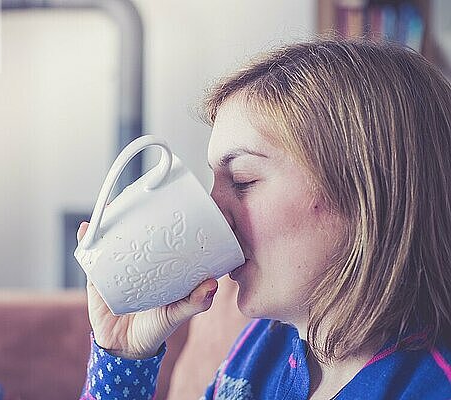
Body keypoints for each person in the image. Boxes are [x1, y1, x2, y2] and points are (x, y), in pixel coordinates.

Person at [77, 38, 451, 399]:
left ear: (367, 193)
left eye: (242, 181)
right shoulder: (262, 347)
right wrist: (124, 356)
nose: (214, 212)